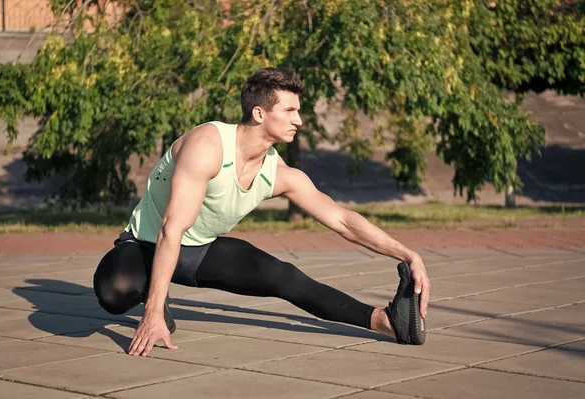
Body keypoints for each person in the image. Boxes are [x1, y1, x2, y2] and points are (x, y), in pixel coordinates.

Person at [93, 67, 430, 357]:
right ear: (259, 113)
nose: (299, 119)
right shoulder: (207, 147)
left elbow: (341, 220)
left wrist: (408, 254)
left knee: (285, 277)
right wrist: (153, 309)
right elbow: (171, 229)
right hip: (146, 244)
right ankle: (155, 292)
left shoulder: (278, 173)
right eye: (290, 110)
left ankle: (384, 320)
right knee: (115, 291)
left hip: (199, 250)